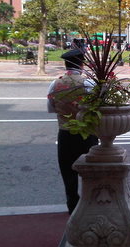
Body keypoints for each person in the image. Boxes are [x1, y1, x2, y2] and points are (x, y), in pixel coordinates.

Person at [47, 49, 98, 214]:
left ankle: (72, 208)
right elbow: (97, 109)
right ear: (82, 64)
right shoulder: (89, 84)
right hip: (87, 135)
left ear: (66, 64)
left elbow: (51, 108)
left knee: (68, 173)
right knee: (91, 173)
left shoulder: (55, 84)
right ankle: (89, 205)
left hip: (65, 134)